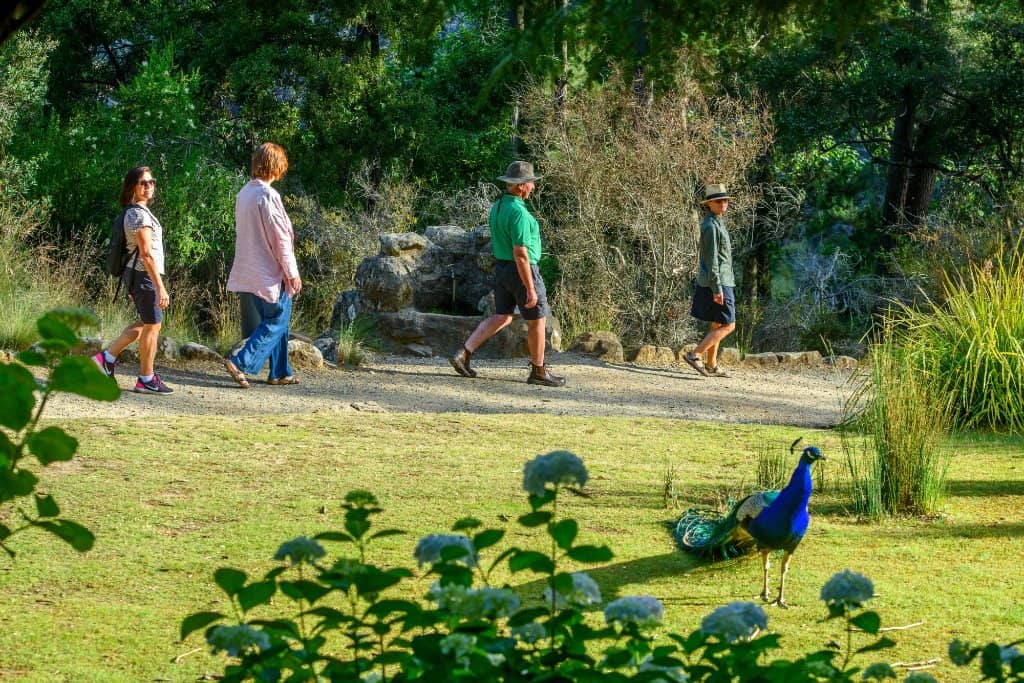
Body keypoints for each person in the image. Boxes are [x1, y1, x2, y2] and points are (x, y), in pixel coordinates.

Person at [448, 161, 565, 387]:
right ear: (521, 186)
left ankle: (464, 353)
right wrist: (530, 288)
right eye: (530, 182)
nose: (533, 186)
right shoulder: (519, 213)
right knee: (537, 320)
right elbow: (521, 253)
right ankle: (539, 371)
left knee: (502, 316)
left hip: (502, 268)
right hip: (522, 270)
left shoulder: (498, 206)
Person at [222, 143, 302, 389]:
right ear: (276, 166)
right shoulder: (268, 196)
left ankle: (280, 372)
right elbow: (280, 239)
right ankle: (241, 362)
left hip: (249, 269)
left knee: (276, 321)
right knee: (277, 319)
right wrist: (292, 273)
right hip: (269, 271)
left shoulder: (244, 193)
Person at [93, 166, 174, 394]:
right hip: (144, 276)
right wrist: (160, 287)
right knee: (152, 325)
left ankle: (105, 358)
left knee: (146, 323)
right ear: (132, 187)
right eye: (143, 183)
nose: (149, 186)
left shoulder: (138, 212)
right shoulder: (138, 214)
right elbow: (146, 254)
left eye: (151, 181)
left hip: (138, 276)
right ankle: (146, 379)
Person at [683, 183, 736, 378]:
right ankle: (695, 354)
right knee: (729, 325)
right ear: (709, 204)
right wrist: (717, 288)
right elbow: (711, 260)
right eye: (718, 201)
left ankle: (712, 364)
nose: (723, 204)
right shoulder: (710, 226)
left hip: (724, 279)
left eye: (725, 200)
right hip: (718, 281)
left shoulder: (718, 222)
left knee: (717, 322)